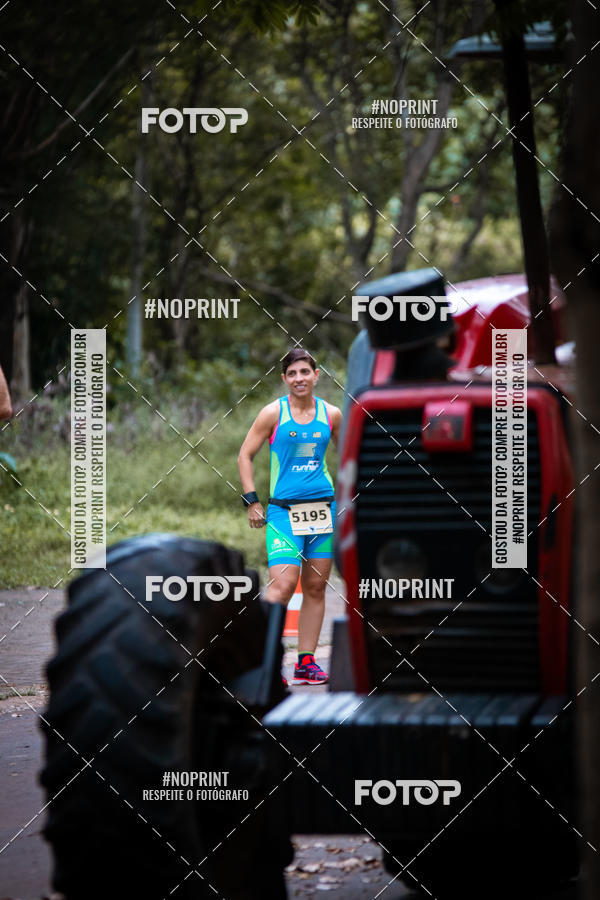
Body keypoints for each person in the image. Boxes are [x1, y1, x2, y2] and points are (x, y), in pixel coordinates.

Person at [238, 348, 341, 684]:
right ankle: (267, 663)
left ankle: (306, 662)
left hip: (322, 512)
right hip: (283, 512)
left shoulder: (332, 414)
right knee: (282, 586)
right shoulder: (273, 413)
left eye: (305, 372)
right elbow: (245, 454)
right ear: (284, 379)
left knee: (315, 587)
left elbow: (351, 455)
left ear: (316, 375)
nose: (299, 379)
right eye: (292, 373)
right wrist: (252, 500)